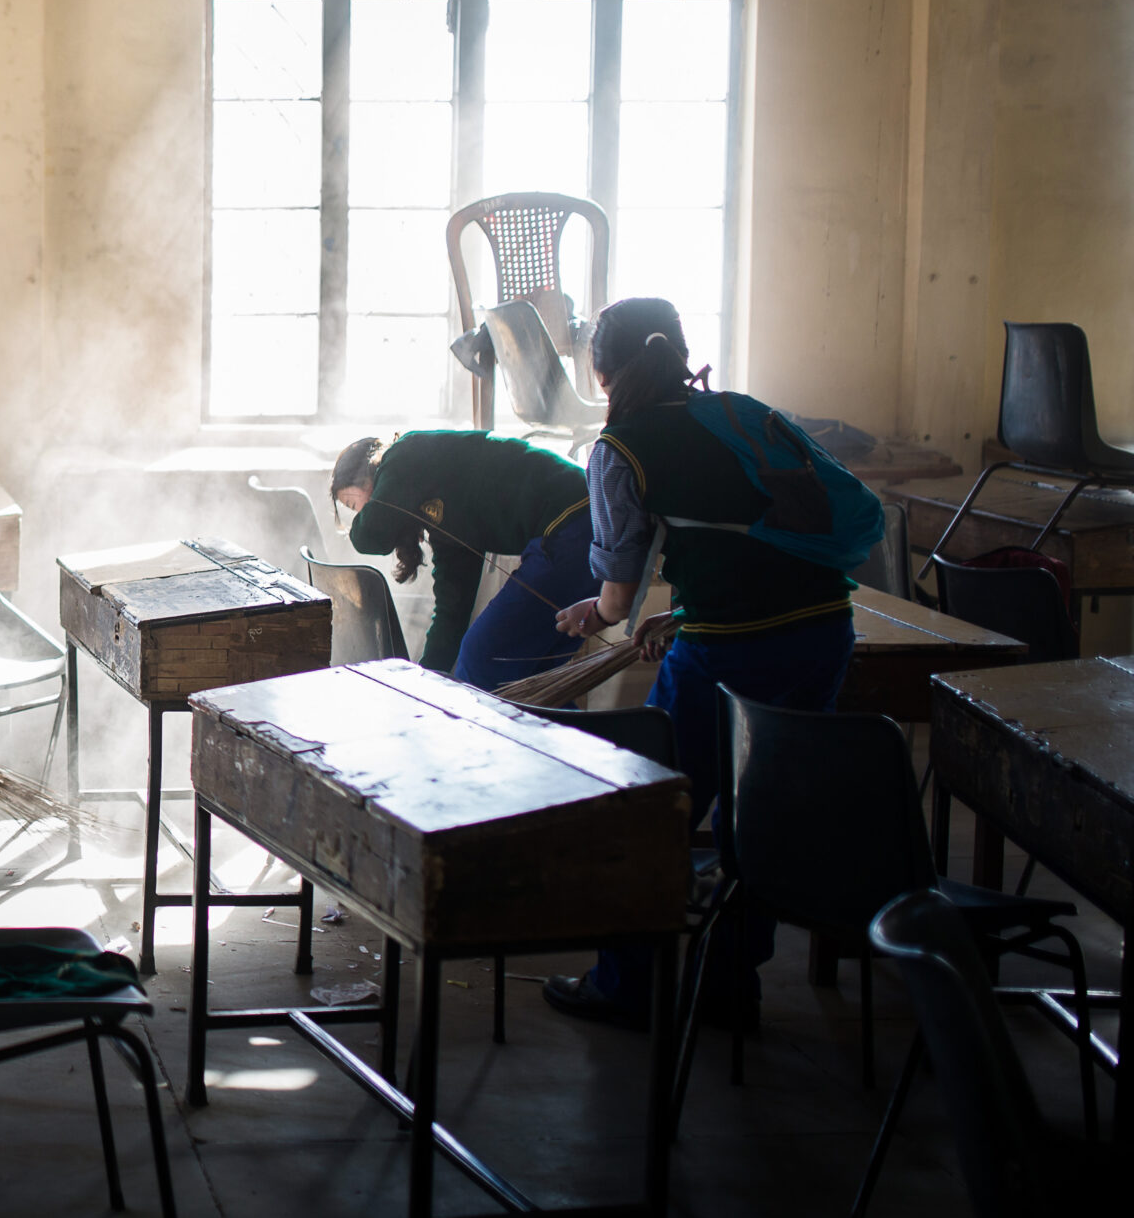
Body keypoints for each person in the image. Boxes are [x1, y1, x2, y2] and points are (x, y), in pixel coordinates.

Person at [541, 297, 872, 1030]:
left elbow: (614, 597)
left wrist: (587, 615)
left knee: (647, 801)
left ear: (600, 372)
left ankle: (627, 983)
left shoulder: (621, 447)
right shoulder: (740, 411)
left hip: (731, 651)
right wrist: (685, 612)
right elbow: (761, 550)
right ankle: (731, 982)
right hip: (823, 634)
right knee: (758, 813)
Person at [329, 431, 599, 690]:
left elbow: (369, 534)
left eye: (354, 507)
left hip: (569, 520)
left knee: (481, 657)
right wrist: (428, 678)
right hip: (577, 523)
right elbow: (452, 608)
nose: (360, 515)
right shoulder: (443, 513)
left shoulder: (404, 454)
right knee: (533, 680)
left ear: (368, 478)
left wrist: (356, 527)